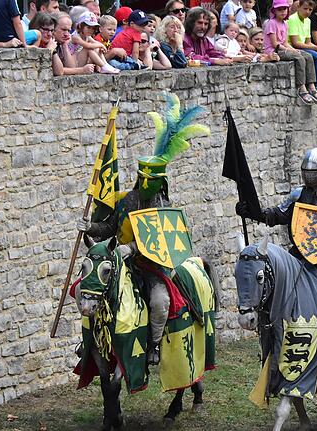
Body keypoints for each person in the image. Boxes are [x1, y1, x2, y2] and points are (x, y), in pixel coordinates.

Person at [80, 95, 208, 365]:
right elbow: (109, 227)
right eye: (144, 178)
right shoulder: (127, 200)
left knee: (159, 302)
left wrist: (134, 248)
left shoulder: (164, 207)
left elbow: (163, 241)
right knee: (87, 289)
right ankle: (89, 342)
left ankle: (153, 346)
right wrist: (89, 227)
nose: (147, 183)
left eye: (152, 180)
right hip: (120, 263)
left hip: (152, 266)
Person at [235, 148, 317, 366]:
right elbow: (276, 214)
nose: (309, 176)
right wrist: (251, 212)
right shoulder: (298, 194)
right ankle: (273, 342)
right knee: (274, 288)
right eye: (306, 172)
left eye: (313, 172)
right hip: (299, 255)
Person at [264, 0, 317, 103]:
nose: (283, 11)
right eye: (279, 9)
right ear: (274, 11)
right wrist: (290, 51)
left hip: (283, 48)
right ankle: (301, 88)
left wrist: (294, 49)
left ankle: (311, 86)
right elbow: (275, 44)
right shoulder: (271, 23)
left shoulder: (285, 23)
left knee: (307, 56)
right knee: (299, 58)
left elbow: (285, 42)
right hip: (273, 51)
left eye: (284, 9)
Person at [288, 0, 317, 105]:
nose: (307, 12)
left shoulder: (308, 20)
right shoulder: (293, 19)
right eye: (305, 9)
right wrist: (316, 48)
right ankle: (315, 87)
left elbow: (308, 41)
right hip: (295, 47)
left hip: (305, 46)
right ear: (298, 7)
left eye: (310, 10)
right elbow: (295, 43)